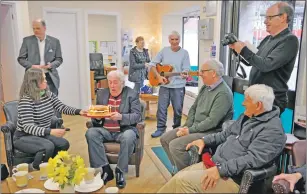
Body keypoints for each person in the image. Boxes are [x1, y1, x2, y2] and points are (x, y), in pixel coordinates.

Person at [157, 84, 286, 193]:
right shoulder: (247, 116)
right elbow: (224, 135)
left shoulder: (273, 131)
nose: (243, 103)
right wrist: (204, 140)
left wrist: (220, 170)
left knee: (182, 182)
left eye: (247, 100)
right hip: (215, 165)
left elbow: (251, 160)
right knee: (179, 177)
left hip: (233, 179)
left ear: (258, 105)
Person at [160, 59, 233, 172]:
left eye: (203, 71)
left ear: (213, 73)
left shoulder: (223, 93)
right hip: (196, 126)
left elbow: (212, 122)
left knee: (175, 145)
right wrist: (187, 126)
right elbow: (194, 107)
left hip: (210, 131)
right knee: (165, 139)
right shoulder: (206, 87)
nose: (200, 74)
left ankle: (186, 176)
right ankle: (179, 168)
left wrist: (190, 130)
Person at [229, 2, 299, 114]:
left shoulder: (289, 40)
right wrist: (236, 49)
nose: (265, 21)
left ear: (283, 17)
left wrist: (243, 50)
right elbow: (253, 62)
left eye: (269, 18)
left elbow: (266, 65)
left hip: (270, 100)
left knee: (261, 131)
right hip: (256, 97)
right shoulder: (268, 39)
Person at [13, 68, 87, 171]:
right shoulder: (26, 100)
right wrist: (50, 131)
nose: (46, 81)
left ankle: (50, 166)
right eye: (43, 79)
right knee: (48, 146)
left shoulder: (48, 95)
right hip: (24, 136)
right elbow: (28, 127)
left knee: (63, 144)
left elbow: (61, 107)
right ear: (34, 82)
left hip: (41, 134)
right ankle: (34, 168)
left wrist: (79, 111)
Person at [85, 70, 142, 189]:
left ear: (122, 83)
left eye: (115, 83)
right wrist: (98, 118)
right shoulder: (102, 94)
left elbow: (137, 116)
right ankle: (106, 169)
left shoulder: (131, 93)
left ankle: (120, 171)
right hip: (105, 130)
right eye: (110, 82)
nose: (112, 85)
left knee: (128, 136)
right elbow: (96, 119)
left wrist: (121, 117)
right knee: (90, 133)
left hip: (124, 130)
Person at [17, 18, 65, 122]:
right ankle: (39, 125)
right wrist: (31, 66)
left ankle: (58, 124)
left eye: (38, 28)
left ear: (44, 28)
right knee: (35, 101)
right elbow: (21, 59)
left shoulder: (54, 41)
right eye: (34, 28)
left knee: (53, 100)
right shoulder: (27, 41)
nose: (35, 31)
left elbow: (59, 59)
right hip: (34, 77)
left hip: (50, 76)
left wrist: (51, 65)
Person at [149, 31, 191, 138]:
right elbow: (152, 65)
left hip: (178, 86)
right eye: (172, 39)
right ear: (169, 40)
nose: (174, 42)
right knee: (161, 108)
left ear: (179, 40)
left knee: (177, 109)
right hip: (164, 85)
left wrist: (185, 74)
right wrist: (158, 77)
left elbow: (186, 69)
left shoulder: (184, 53)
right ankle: (160, 129)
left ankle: (176, 130)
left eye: (176, 39)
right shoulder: (164, 51)